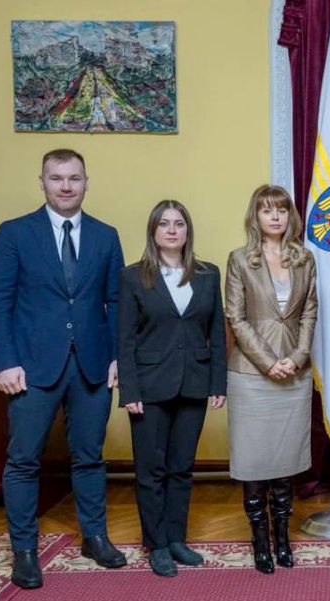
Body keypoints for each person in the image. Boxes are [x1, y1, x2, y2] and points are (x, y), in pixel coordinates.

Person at [0, 149, 127, 589]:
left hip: (92, 366)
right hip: (31, 368)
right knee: (23, 460)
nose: (66, 186)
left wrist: (118, 357)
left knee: (90, 457)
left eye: (74, 178)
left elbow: (117, 301)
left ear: (86, 182)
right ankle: (24, 550)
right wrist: (6, 362)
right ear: (42, 182)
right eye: (57, 178)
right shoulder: (14, 233)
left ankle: (95, 538)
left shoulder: (106, 235)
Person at [117, 200, 228, 577]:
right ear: (153, 230)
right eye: (164, 223)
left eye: (178, 223)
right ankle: (157, 544)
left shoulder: (208, 274)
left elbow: (216, 333)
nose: (171, 230)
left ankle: (177, 539)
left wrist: (217, 382)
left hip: (194, 383)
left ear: (187, 231)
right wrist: (129, 391)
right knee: (151, 470)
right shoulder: (133, 276)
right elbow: (124, 339)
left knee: (182, 468)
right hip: (148, 387)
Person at [225, 184, 317, 574]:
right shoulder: (239, 259)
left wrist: (297, 357)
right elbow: (236, 317)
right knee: (254, 460)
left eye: (281, 209)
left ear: (289, 216)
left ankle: (283, 539)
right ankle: (259, 541)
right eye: (267, 210)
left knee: (285, 459)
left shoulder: (304, 258)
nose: (275, 216)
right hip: (251, 375)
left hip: (294, 373)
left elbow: (310, 311)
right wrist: (268, 362)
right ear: (256, 217)